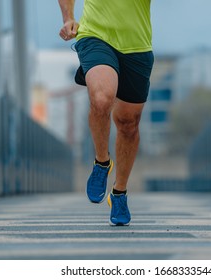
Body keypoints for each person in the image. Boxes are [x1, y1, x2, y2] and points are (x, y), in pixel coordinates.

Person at [58, 0, 154, 226]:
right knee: (101, 99)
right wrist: (68, 18)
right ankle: (102, 162)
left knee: (128, 123)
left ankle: (119, 192)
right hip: (95, 35)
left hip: (137, 45)